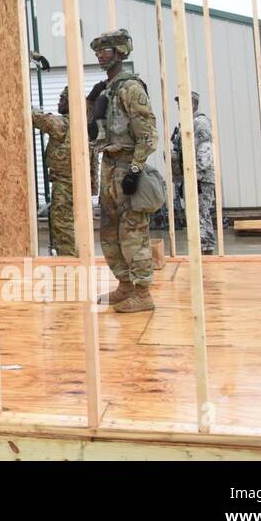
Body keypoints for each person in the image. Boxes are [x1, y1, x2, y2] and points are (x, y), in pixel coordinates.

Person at [89, 30, 159, 313]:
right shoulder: (107, 89)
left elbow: (147, 135)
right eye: (98, 51)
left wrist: (134, 169)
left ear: (119, 52)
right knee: (109, 230)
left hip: (127, 165)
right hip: (109, 165)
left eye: (105, 50)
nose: (99, 55)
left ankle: (142, 293)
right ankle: (125, 286)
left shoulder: (131, 88)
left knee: (133, 232)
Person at [31, 86, 98, 257]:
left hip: (65, 186)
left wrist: (28, 106)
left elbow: (36, 118)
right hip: (81, 185)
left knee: (64, 229)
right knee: (77, 228)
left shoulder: (65, 123)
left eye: (62, 99)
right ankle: (78, 259)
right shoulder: (86, 125)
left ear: (71, 103)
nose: (58, 102)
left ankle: (70, 262)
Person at [171, 91, 217, 254]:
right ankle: (201, 246)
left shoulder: (201, 122)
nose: (179, 106)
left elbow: (205, 150)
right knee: (194, 212)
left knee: (200, 212)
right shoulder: (186, 123)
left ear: (193, 104)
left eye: (182, 102)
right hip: (190, 177)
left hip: (200, 177)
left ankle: (206, 247)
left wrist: (195, 175)